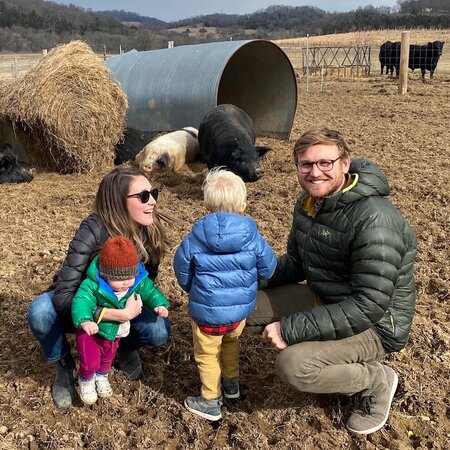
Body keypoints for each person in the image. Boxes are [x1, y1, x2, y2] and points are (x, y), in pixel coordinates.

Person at [248, 127, 416, 435]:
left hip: (377, 324)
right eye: (306, 164)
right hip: (327, 297)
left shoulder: (374, 220)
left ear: (345, 163)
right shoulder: (309, 203)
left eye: (325, 163)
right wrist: (246, 279)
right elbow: (297, 263)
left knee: (294, 366)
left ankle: (376, 381)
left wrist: (291, 328)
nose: (315, 172)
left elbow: (369, 305)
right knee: (242, 303)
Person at [27, 166, 171, 410]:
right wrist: (110, 315)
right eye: (144, 196)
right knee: (40, 312)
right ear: (118, 202)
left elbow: (146, 282)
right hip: (85, 300)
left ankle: (121, 347)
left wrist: (146, 304)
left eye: (153, 193)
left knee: (158, 330)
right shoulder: (92, 230)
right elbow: (63, 296)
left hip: (121, 303)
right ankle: (64, 363)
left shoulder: (149, 231)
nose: (153, 201)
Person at [174, 167, 276, 421]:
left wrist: (192, 289)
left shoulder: (195, 237)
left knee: (207, 355)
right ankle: (231, 386)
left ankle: (210, 400)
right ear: (243, 205)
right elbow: (269, 267)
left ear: (207, 205)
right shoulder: (252, 237)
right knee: (231, 345)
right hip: (238, 314)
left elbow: (181, 268)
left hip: (207, 315)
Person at [72, 236, 169, 405]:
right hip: (93, 332)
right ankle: (86, 379)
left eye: (130, 277)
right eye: (118, 279)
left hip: (116, 331)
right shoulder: (93, 285)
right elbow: (81, 301)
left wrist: (159, 304)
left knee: (108, 356)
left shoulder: (136, 282)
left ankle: (102, 376)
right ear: (105, 275)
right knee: (90, 360)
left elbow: (150, 291)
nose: (126, 283)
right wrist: (85, 320)